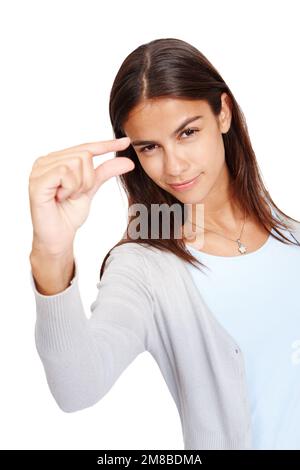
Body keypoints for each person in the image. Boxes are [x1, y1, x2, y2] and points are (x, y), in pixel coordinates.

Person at [28, 37, 300, 450]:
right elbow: (76, 388)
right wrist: (51, 253)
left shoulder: (293, 239)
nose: (174, 166)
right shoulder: (144, 267)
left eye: (188, 132)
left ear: (223, 113)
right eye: (150, 147)